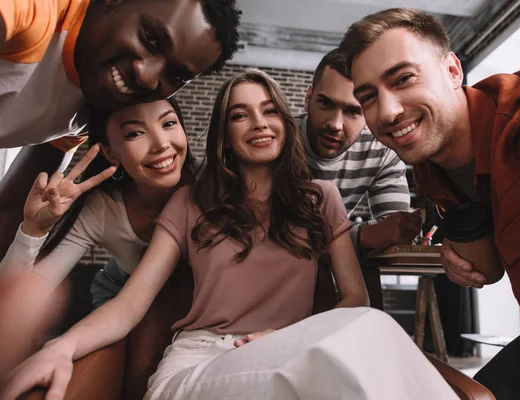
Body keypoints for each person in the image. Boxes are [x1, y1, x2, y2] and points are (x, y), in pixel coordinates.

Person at [0, 69, 460, 400]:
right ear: (224, 136)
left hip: (291, 352)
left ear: (283, 121)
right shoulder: (189, 201)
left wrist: (287, 337)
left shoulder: (322, 198)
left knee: (371, 329)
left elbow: (354, 300)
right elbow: (129, 305)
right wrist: (60, 347)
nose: (259, 123)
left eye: (268, 111)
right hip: (196, 364)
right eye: (240, 115)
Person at [339, 7, 520, 400]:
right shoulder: (432, 167)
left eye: (404, 78)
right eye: (368, 97)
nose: (388, 112)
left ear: (452, 71)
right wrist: (459, 248)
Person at [0, 0, 242, 257]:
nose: (147, 77)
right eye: (150, 37)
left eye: (176, 76)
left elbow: (13, 205)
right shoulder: (38, 13)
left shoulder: (87, 109)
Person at [0, 97, 197, 398]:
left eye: (169, 123)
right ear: (110, 152)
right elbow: (24, 293)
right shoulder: (102, 208)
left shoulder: (209, 187)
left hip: (193, 300)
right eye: (135, 133)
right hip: (121, 292)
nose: (160, 144)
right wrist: (34, 230)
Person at [300, 49, 421, 255]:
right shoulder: (276, 141)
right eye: (325, 103)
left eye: (353, 111)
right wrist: (364, 236)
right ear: (308, 99)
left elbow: (394, 233)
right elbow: (264, 232)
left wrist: (363, 236)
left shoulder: (383, 153)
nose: (335, 125)